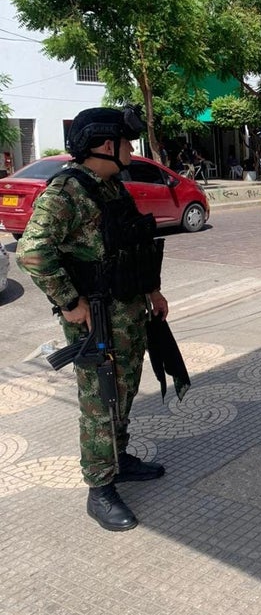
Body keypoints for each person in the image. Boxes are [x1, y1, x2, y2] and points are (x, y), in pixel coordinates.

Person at [16, 107, 169, 532]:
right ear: (106, 145)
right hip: (95, 320)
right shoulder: (67, 192)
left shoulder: (111, 187)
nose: (132, 150)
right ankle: (99, 488)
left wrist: (152, 291)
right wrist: (69, 302)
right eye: (126, 143)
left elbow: (133, 244)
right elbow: (32, 252)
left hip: (128, 312)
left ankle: (119, 459)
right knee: (101, 401)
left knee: (124, 390)